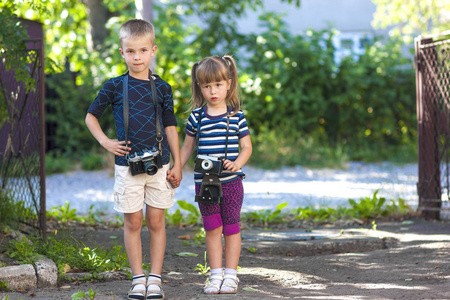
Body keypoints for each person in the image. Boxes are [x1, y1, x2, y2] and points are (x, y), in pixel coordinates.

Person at [85, 19, 181, 300]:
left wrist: (177, 163)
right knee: (133, 223)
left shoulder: (163, 88)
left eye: (142, 50)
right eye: (130, 51)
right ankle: (138, 278)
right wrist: (105, 141)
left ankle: (155, 278)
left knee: (156, 222)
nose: (136, 57)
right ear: (122, 53)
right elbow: (91, 116)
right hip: (127, 167)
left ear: (153, 50)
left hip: (160, 164)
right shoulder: (114, 86)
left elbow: (171, 126)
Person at [178, 55, 252, 294]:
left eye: (218, 85)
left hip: (231, 183)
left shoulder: (236, 117)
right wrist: (176, 167)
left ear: (229, 83)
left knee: (231, 227)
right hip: (205, 183)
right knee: (212, 228)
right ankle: (215, 276)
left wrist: (237, 163)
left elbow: (247, 147)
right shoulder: (197, 117)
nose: (213, 91)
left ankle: (231, 276)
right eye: (207, 86)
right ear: (199, 86)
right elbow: (187, 147)